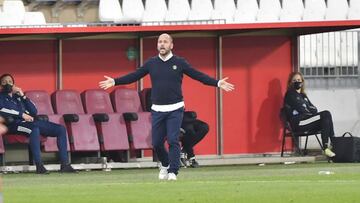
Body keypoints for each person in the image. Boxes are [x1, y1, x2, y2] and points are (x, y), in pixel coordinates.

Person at [99, 33, 234, 181]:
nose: (162, 44)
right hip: (158, 109)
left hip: (176, 108)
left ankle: (173, 171)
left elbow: (198, 76)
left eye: (165, 42)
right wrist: (115, 81)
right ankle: (165, 163)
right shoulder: (151, 63)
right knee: (156, 143)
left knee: (173, 140)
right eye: (159, 42)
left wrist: (217, 82)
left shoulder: (180, 62)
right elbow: (134, 75)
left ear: (171, 45)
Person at [0, 73, 76, 174]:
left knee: (60, 129)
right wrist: (21, 114)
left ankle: (65, 164)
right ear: (0, 85)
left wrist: (22, 95)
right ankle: (39, 166)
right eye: (4, 82)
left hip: (31, 122)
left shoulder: (18, 97)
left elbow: (34, 111)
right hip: (14, 125)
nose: (8, 84)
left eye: (10, 82)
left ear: (14, 84)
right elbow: (2, 110)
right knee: (34, 129)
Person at [283, 71, 335, 157]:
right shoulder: (290, 94)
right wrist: (307, 109)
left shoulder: (303, 95)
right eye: (294, 80)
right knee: (325, 114)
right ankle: (329, 146)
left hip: (308, 119)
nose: (297, 82)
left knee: (326, 117)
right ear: (290, 82)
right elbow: (302, 109)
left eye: (299, 80)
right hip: (299, 123)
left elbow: (314, 109)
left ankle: (331, 146)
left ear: (302, 82)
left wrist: (306, 109)